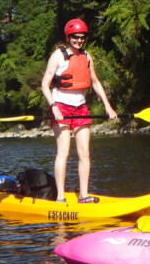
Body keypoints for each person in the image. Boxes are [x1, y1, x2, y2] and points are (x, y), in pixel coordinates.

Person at [41, 19, 117, 203]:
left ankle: (83, 195)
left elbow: (96, 82)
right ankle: (60, 197)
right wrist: (54, 107)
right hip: (61, 107)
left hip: (81, 107)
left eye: (82, 37)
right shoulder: (58, 56)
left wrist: (107, 105)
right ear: (68, 37)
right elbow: (44, 84)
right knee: (64, 152)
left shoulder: (87, 56)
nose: (79, 40)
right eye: (75, 37)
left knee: (84, 153)